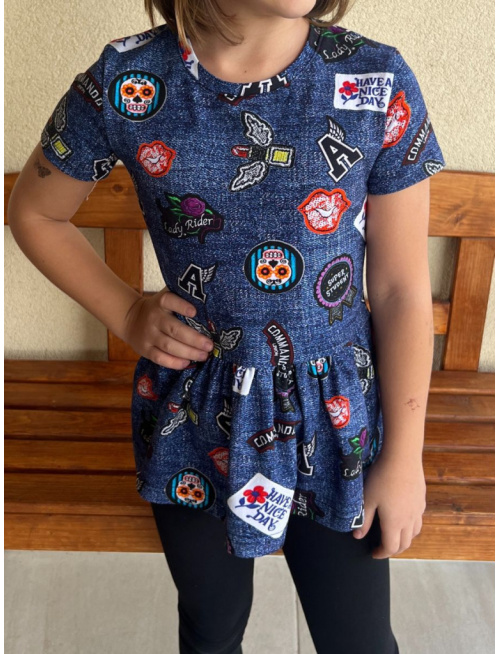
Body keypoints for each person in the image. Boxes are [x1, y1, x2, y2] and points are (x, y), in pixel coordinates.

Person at [8, 0, 446, 651]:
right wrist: (127, 311)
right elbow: (34, 212)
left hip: (337, 424)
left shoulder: (374, 81)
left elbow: (401, 290)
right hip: (195, 414)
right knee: (210, 628)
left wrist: (405, 458)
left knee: (358, 639)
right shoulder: (128, 80)